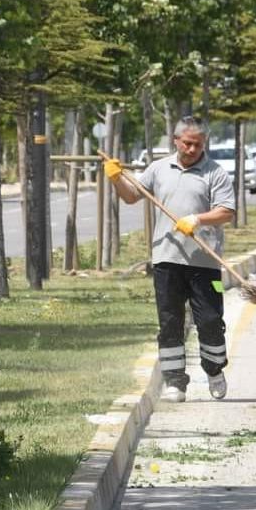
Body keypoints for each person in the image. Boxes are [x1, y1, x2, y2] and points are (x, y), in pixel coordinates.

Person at [104, 116, 236, 402]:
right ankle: (175, 381)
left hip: (205, 263)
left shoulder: (215, 172)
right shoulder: (158, 169)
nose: (192, 149)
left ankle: (214, 370)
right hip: (166, 259)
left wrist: (197, 219)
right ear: (176, 140)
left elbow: (227, 211)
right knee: (170, 322)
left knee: (211, 321)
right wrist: (116, 178)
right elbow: (130, 197)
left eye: (198, 145)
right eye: (187, 143)